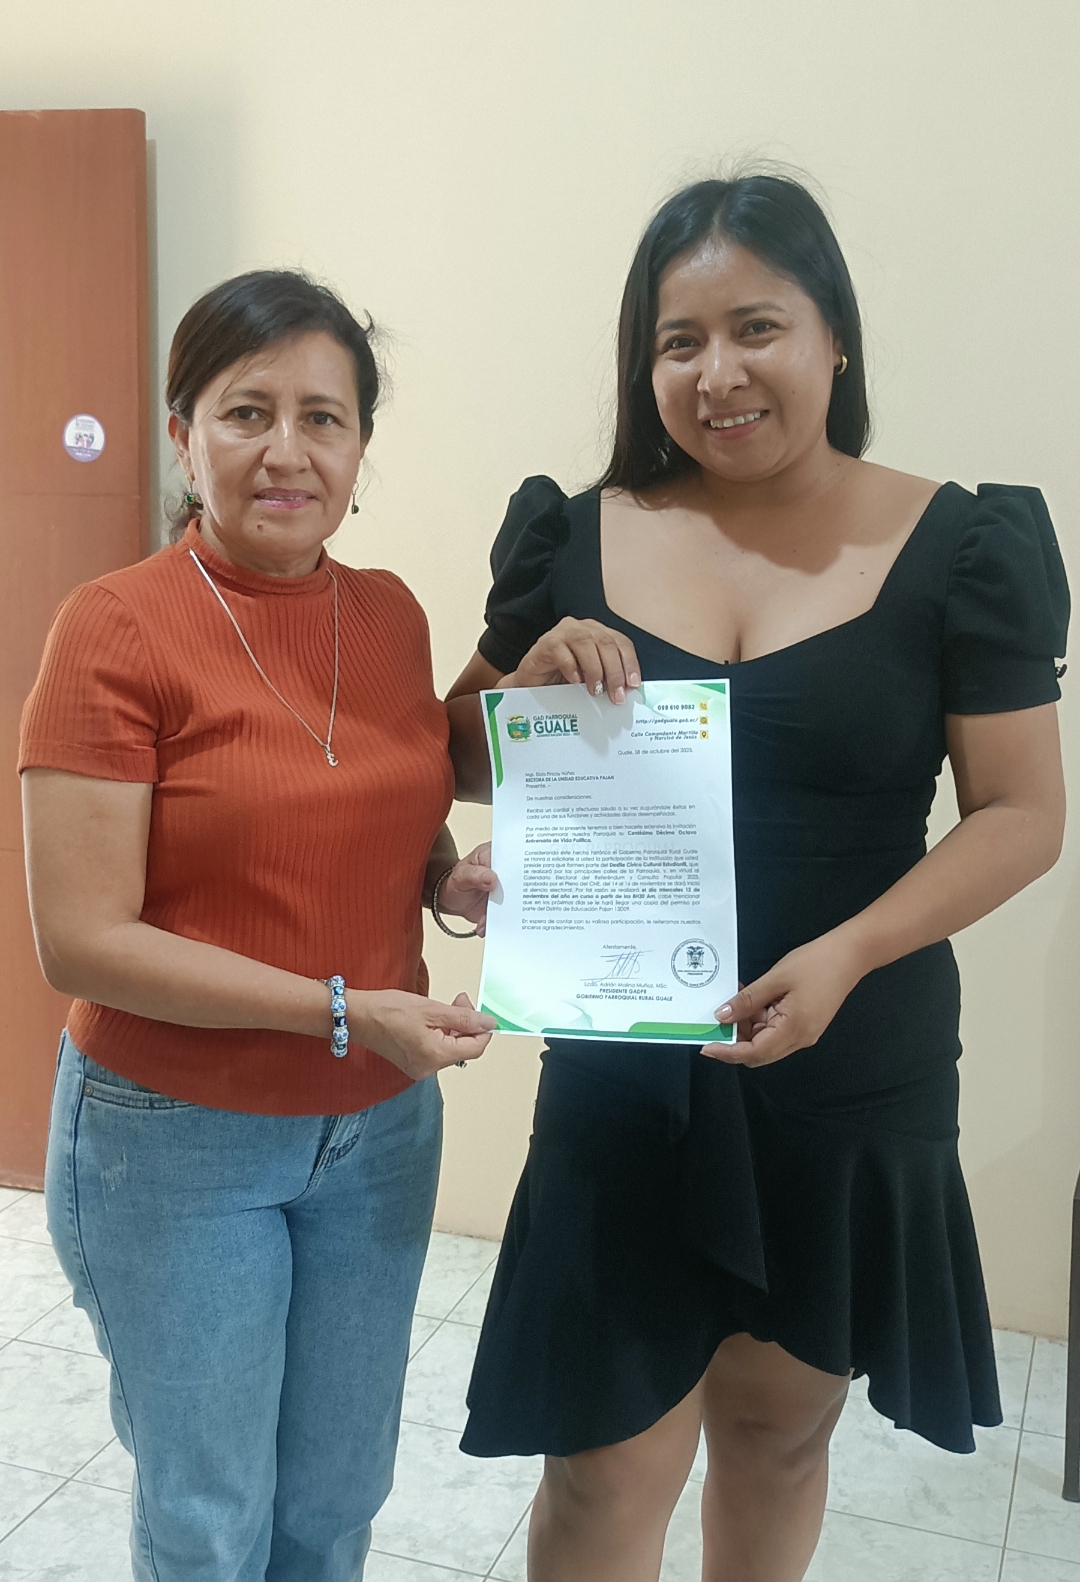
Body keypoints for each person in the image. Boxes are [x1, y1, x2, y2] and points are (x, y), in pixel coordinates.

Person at [446, 176, 1069, 1582]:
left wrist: (850, 951)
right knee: (601, 1464)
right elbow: (457, 761)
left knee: (780, 1434)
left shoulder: (961, 544)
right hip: (626, 1061)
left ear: (833, 335)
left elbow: (1025, 813)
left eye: (756, 327)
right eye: (679, 341)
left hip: (851, 1053)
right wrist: (522, 692)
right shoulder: (574, 534)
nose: (716, 373)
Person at [19, 269, 497, 1582]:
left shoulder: (387, 614)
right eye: (247, 412)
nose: (288, 450)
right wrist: (340, 1009)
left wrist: (438, 877)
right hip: (175, 1138)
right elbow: (83, 940)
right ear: (185, 436)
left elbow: (355, 800)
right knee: (211, 1515)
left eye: (323, 418)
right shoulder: (114, 629)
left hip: (379, 1133)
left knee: (336, 1498)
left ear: (360, 447)